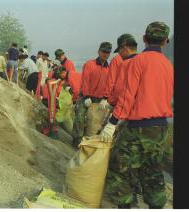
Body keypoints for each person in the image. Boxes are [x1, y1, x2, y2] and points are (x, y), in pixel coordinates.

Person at [100, 22, 173, 209]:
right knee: (154, 171)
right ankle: (157, 207)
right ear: (165, 41)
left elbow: (127, 96)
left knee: (118, 168)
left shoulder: (137, 61)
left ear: (144, 39)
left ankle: (125, 206)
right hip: (162, 128)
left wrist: (112, 122)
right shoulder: (168, 65)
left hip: (139, 127)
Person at [71, 42, 112, 148]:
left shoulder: (109, 68)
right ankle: (77, 139)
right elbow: (85, 81)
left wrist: (105, 98)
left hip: (100, 99)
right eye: (103, 52)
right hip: (86, 96)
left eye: (107, 52)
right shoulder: (90, 64)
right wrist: (87, 96)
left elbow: (109, 83)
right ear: (98, 51)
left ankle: (91, 141)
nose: (105, 54)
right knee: (80, 117)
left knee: (97, 121)